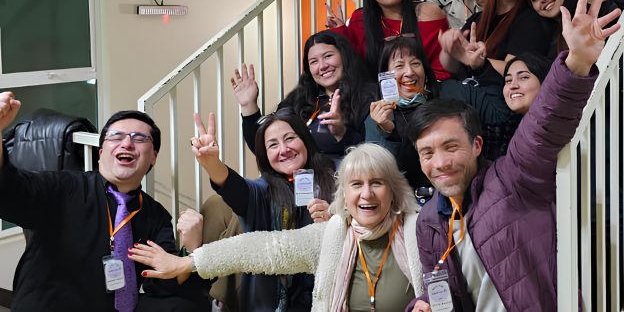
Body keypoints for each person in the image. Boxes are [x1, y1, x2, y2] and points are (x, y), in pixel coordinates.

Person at [406, 0, 622, 312]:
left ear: (477, 145)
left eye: (451, 146)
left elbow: (543, 126)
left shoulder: (512, 179)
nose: (440, 162)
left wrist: (577, 61)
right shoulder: (428, 221)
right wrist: (421, 305)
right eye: (427, 153)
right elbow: (443, 292)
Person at [130, 143, 425, 312]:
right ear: (345, 196)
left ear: (393, 190)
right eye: (357, 184)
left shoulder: (418, 231)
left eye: (377, 183)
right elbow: (260, 248)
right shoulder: (332, 234)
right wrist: (187, 262)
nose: (367, 194)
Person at [0, 93, 208, 311]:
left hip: (114, 307)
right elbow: (11, 192)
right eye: (116, 137)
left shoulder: (155, 215)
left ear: (153, 157)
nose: (127, 143)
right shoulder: (63, 187)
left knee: (185, 306)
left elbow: (164, 285)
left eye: (139, 138)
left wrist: (191, 247)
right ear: (101, 153)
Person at [191, 110, 337, 311]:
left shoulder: (336, 183)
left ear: (304, 139)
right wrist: (212, 164)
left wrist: (334, 222)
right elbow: (235, 189)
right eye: (273, 145)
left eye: (290, 138)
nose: (284, 149)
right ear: (265, 156)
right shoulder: (262, 192)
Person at [232, 31, 374, 166]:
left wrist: (342, 133)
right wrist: (248, 106)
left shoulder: (368, 96)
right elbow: (263, 148)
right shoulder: (298, 99)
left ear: (344, 56)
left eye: (328, 56)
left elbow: (374, 154)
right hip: (297, 178)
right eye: (314, 62)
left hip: (344, 177)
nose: (322, 66)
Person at [326, 0, 451, 80]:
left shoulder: (427, 13)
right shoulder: (360, 19)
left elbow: (441, 70)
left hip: (422, 89)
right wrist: (341, 32)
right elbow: (354, 66)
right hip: (374, 91)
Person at [440, 0, 555, 82]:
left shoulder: (530, 21)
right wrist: (448, 49)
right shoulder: (477, 18)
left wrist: (478, 62)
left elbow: (515, 71)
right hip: (462, 89)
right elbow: (451, 67)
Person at [365, 37, 437, 194]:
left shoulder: (440, 104)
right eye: (399, 66)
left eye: (416, 64)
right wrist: (388, 131)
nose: (409, 72)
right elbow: (382, 175)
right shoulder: (375, 118)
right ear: (386, 76)